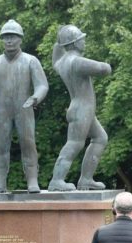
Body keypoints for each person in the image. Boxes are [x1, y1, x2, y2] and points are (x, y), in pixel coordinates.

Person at [0, 19, 49, 193]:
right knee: (1, 145)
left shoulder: (31, 61)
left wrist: (35, 97)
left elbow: (42, 85)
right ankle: (0, 182)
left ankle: (32, 180)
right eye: (6, 37)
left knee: (28, 144)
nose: (9, 40)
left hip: (24, 108)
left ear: (20, 39)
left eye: (13, 37)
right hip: (2, 109)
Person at [48, 25, 112, 191]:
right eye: (81, 40)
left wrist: (60, 42)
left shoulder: (61, 62)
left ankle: (86, 179)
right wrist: (106, 64)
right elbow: (103, 69)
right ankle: (57, 180)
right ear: (75, 43)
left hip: (82, 109)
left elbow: (55, 57)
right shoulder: (77, 62)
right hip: (82, 109)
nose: (84, 42)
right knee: (74, 143)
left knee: (100, 138)